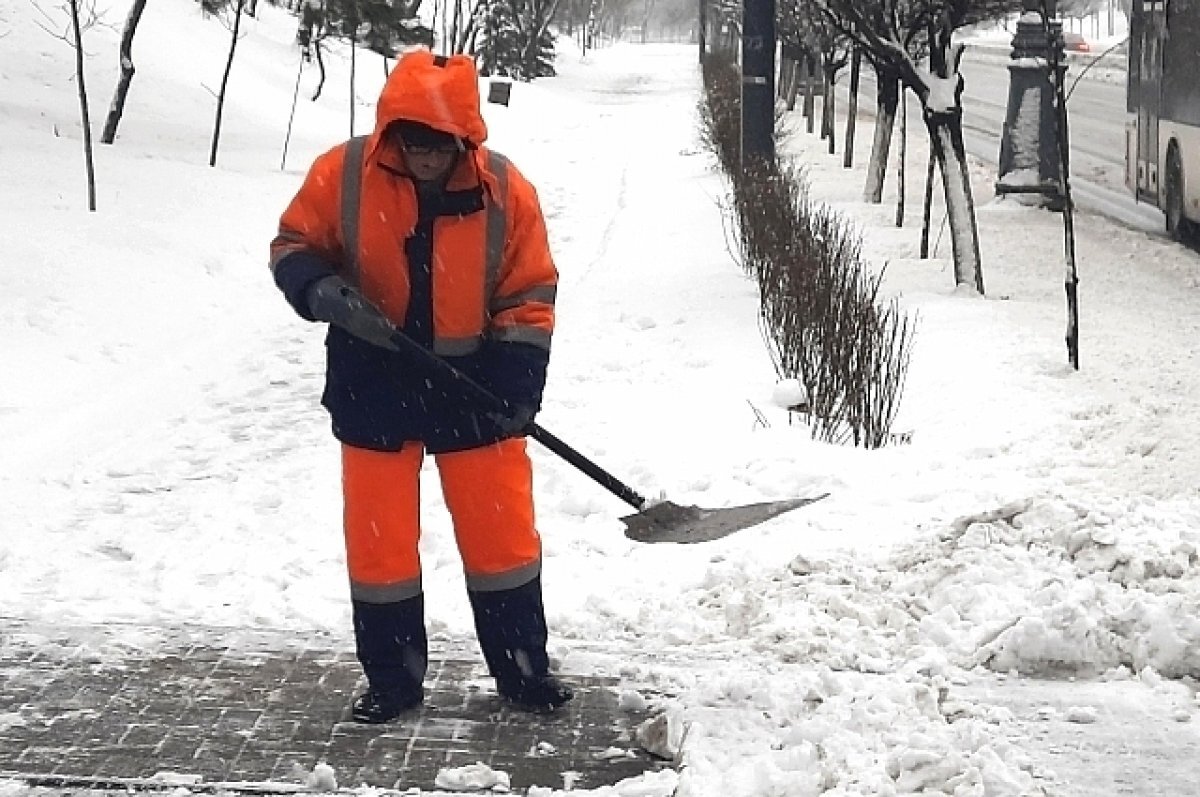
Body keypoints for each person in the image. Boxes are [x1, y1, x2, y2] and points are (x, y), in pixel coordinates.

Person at [269, 49, 572, 722]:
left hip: (474, 383)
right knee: (381, 545)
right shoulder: (343, 174)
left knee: (503, 539)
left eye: (439, 144)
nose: (426, 156)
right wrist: (322, 290)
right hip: (373, 377)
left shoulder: (504, 190)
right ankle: (393, 679)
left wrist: (518, 383)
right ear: (391, 133)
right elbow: (292, 244)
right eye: (412, 141)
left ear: (465, 137)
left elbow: (528, 292)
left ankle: (524, 669)